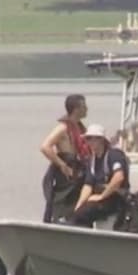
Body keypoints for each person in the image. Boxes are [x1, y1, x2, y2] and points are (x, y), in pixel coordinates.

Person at [39, 94, 90, 223]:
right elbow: (45, 147)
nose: (87, 109)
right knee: (64, 200)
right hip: (68, 167)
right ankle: (59, 220)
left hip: (79, 167)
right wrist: (62, 164)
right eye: (84, 106)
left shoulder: (81, 127)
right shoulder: (63, 128)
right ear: (76, 109)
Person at [68, 124, 130, 228]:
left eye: (91, 139)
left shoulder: (114, 154)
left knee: (85, 213)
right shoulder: (92, 160)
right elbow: (88, 185)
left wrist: (102, 196)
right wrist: (79, 205)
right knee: (75, 214)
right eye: (87, 139)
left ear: (101, 140)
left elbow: (119, 177)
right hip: (101, 197)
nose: (89, 142)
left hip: (115, 198)